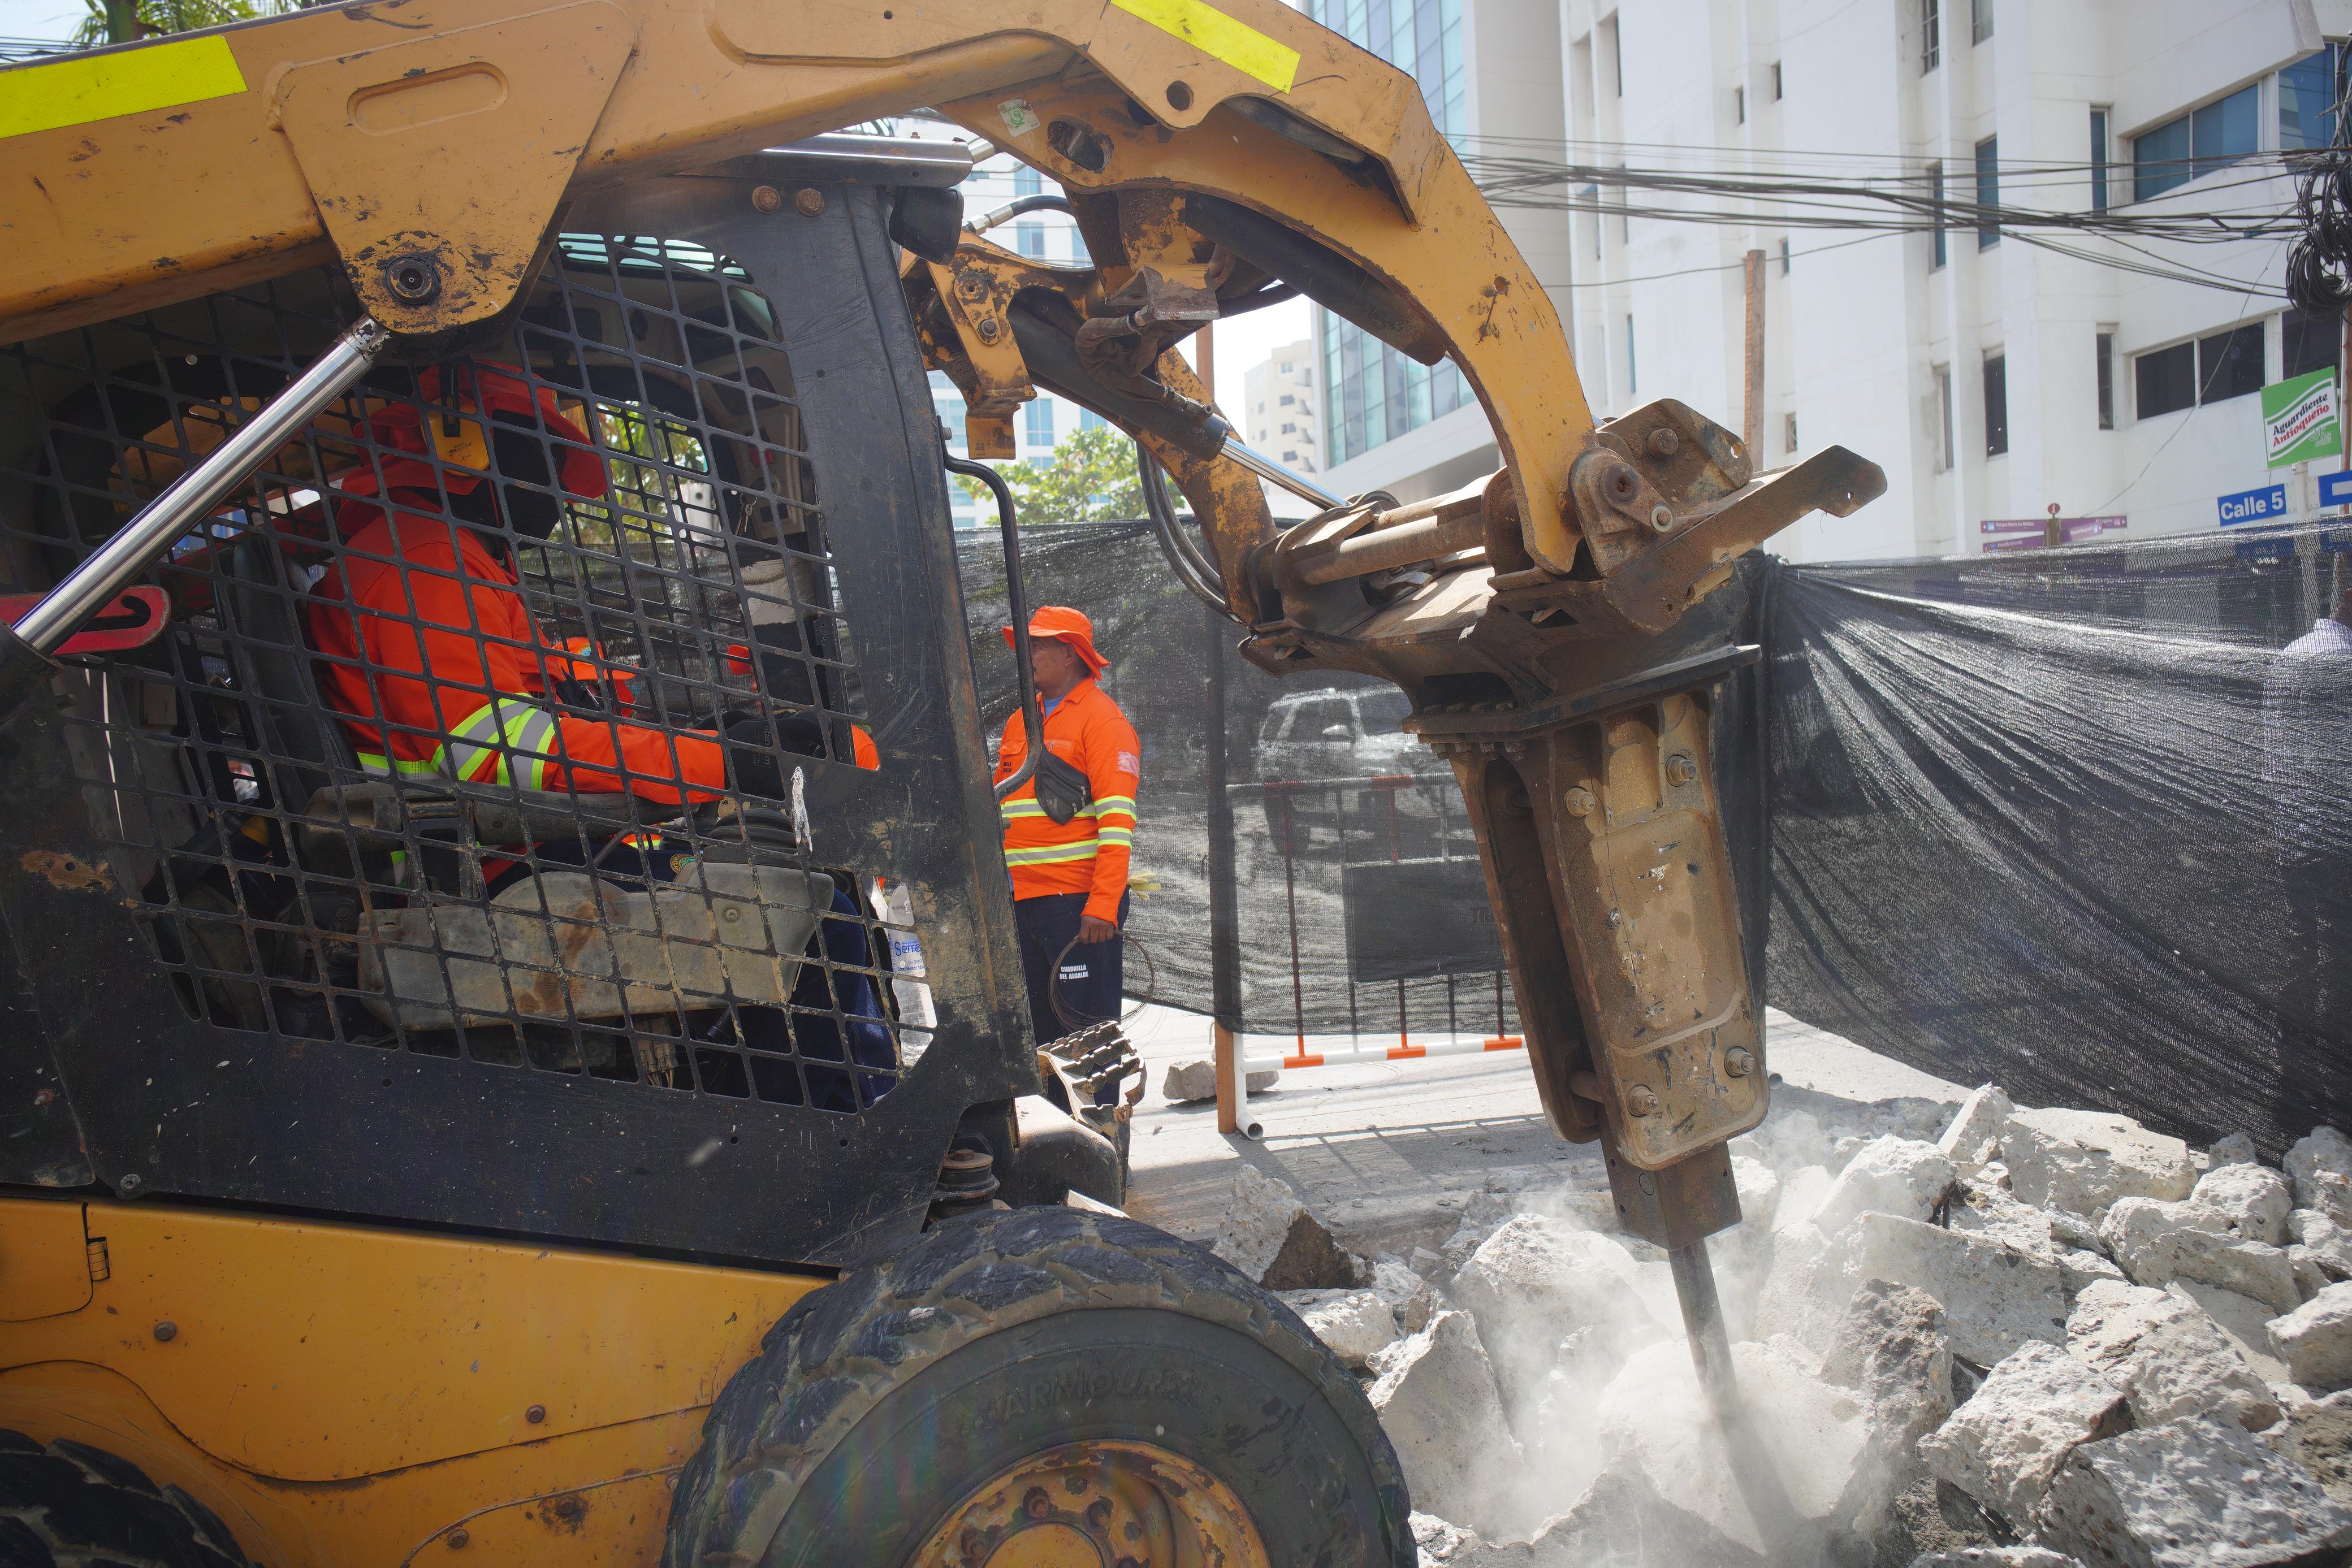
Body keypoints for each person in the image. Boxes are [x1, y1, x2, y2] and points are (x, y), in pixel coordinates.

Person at [301, 362, 800, 805]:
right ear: (465, 448)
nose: (557, 489)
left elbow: (535, 715)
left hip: (502, 837)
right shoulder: (424, 562)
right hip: (471, 863)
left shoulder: (445, 552)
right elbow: (493, 752)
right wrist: (723, 765)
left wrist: (702, 742)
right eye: (542, 459)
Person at [995, 606, 1140, 1052]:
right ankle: (1059, 1123)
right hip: (1024, 903)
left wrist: (1103, 905)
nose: (1028, 655)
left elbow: (1117, 826)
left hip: (1076, 908)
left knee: (1087, 1039)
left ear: (1070, 654)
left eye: (1037, 646)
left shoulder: (1103, 721)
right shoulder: (1022, 720)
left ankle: (1099, 1124)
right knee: (1042, 1043)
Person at [2263, 583, 2352, 1067]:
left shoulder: (2292, 653)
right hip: (2341, 837)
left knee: (2302, 946)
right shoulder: (2344, 662)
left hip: (2295, 831)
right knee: (2343, 955)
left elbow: (2274, 748)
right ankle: (2338, 1065)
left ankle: (2292, 1057)